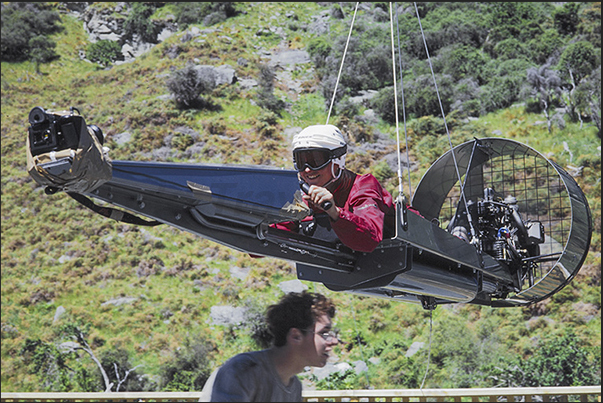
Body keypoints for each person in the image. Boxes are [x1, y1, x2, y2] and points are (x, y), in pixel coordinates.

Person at [274, 124, 395, 253]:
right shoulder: (301, 198)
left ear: (337, 161)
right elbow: (269, 237)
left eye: (316, 160)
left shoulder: (363, 186)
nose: (307, 169)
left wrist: (335, 212)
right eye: (301, 162)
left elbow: (370, 240)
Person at [200, 291, 339, 402]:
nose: (334, 341)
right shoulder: (243, 371)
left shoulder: (294, 387)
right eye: (324, 333)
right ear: (295, 336)